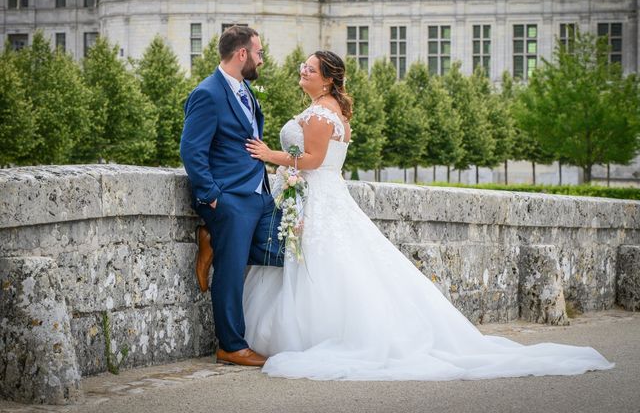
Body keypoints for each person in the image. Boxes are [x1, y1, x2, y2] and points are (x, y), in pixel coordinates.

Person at [242, 50, 614, 380]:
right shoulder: (331, 111)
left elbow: (313, 161)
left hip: (320, 195)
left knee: (323, 266)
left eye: (309, 69)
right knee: (338, 265)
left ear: (327, 79)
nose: (302, 72)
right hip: (323, 195)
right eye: (302, 67)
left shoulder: (322, 115)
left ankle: (322, 334)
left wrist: (268, 154)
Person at [180, 26, 284, 367]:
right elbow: (191, 149)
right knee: (231, 268)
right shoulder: (208, 93)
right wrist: (211, 196)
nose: (261, 59)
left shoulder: (245, 90)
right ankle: (232, 345)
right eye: (259, 53)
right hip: (228, 199)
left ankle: (211, 238)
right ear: (242, 54)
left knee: (282, 250)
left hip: (258, 193)